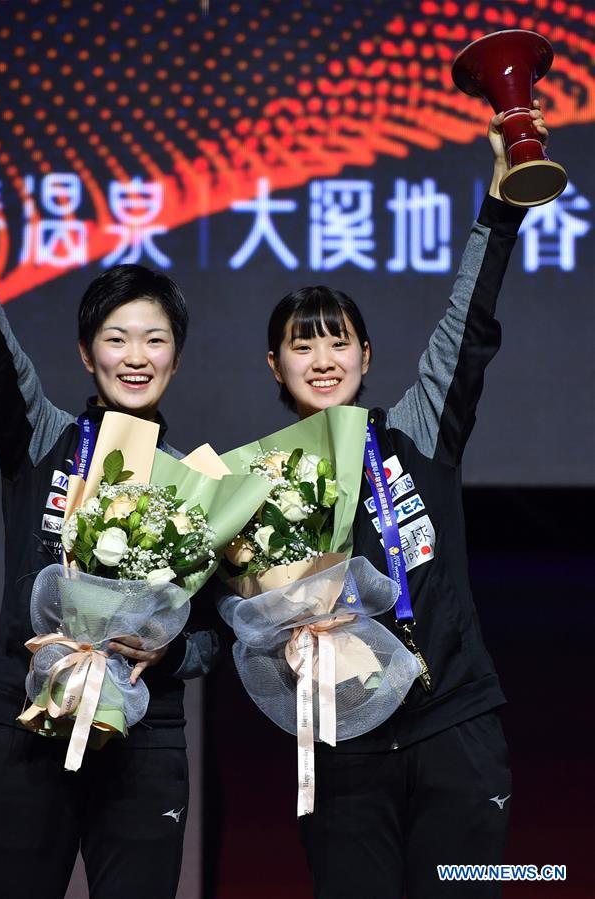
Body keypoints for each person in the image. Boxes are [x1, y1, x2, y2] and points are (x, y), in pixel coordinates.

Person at [0, 185, 218, 899]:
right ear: (86, 352)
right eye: (116, 337)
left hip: (146, 739)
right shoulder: (43, 440)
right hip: (28, 723)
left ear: (176, 357)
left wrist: (172, 651)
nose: (135, 355)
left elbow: (216, 634)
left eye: (155, 338)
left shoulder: (200, 485)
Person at [263, 106, 548, 897]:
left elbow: (470, 321)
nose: (323, 357)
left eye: (338, 339)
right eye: (302, 343)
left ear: (365, 354)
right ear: (275, 365)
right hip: (344, 749)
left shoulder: (415, 431)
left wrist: (501, 203)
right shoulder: (256, 482)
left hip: (455, 726)